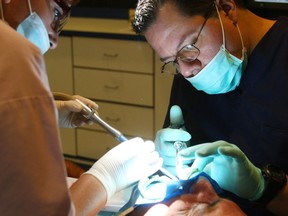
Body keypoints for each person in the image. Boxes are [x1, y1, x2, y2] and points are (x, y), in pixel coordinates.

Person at [0, 0, 162, 215]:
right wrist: (105, 177)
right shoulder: (12, 51)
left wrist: (48, 113)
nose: (54, 41)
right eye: (56, 13)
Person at [132, 0, 288, 215]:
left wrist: (263, 188)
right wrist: (165, 168)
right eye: (173, 61)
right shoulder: (190, 75)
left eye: (188, 47)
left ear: (226, 9)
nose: (187, 71)